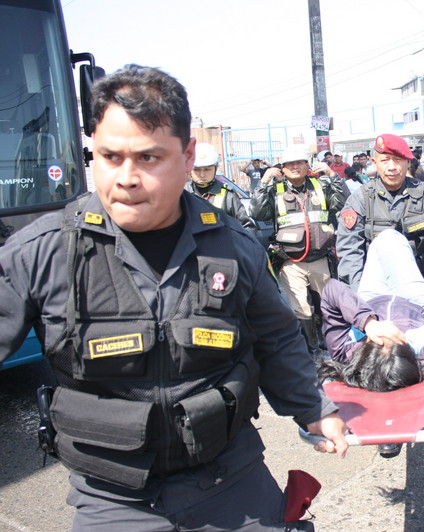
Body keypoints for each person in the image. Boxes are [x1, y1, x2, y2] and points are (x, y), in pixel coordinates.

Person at [0, 64, 348, 531]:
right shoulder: (41, 252)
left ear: (187, 158)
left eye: (148, 158)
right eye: (109, 157)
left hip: (231, 481)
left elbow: (277, 339)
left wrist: (314, 408)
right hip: (112, 498)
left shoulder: (234, 247)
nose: (125, 178)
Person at [318, 230, 424, 391]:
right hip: (413, 301)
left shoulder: (345, 350)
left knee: (379, 243)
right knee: (390, 238)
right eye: (395, 337)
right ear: (409, 351)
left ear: (365, 352)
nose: (388, 329)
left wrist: (368, 323)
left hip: (370, 299)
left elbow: (332, 289)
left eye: (380, 340)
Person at [336, 133, 424, 308]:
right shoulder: (361, 199)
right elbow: (350, 251)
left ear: (408, 162)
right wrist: (358, 295)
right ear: (374, 162)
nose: (391, 167)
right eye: (385, 160)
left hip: (423, 285)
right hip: (377, 290)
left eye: (398, 160)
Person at [250, 150, 348, 356]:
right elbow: (258, 213)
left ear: (308, 165)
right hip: (290, 261)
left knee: (326, 305)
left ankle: (327, 342)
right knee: (301, 308)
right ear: (282, 169)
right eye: (290, 164)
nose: (295, 167)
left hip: (320, 258)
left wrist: (332, 175)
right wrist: (264, 181)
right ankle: (310, 350)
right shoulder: (274, 190)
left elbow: (344, 202)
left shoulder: (321, 186)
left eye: (299, 163)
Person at [185, 142, 255, 230]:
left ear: (216, 168)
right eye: (197, 169)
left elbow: (247, 227)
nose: (202, 175)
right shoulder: (182, 193)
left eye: (207, 169)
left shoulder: (228, 195)